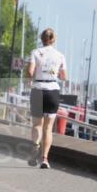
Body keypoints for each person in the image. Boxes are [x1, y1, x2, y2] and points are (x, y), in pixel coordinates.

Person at [27, 28, 68, 169]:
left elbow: (30, 72)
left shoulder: (35, 52)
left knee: (37, 125)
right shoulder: (60, 56)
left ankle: (35, 146)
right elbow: (64, 77)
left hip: (38, 89)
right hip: (52, 90)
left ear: (41, 38)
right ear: (54, 40)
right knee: (48, 128)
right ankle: (45, 159)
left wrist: (33, 77)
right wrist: (54, 73)